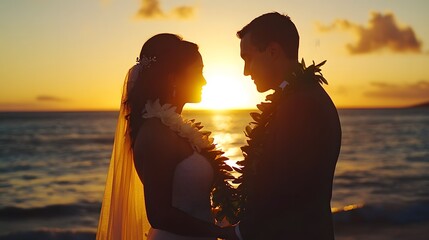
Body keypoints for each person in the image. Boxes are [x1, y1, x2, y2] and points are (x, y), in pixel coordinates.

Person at [96, 33, 238, 240]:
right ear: (173, 78)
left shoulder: (174, 129)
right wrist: (224, 233)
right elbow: (159, 214)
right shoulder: (156, 133)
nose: (205, 81)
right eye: (199, 72)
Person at [233, 12, 342, 239]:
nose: (246, 71)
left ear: (273, 51)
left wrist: (240, 231)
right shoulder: (297, 98)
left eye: (248, 58)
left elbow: (287, 189)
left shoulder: (302, 105)